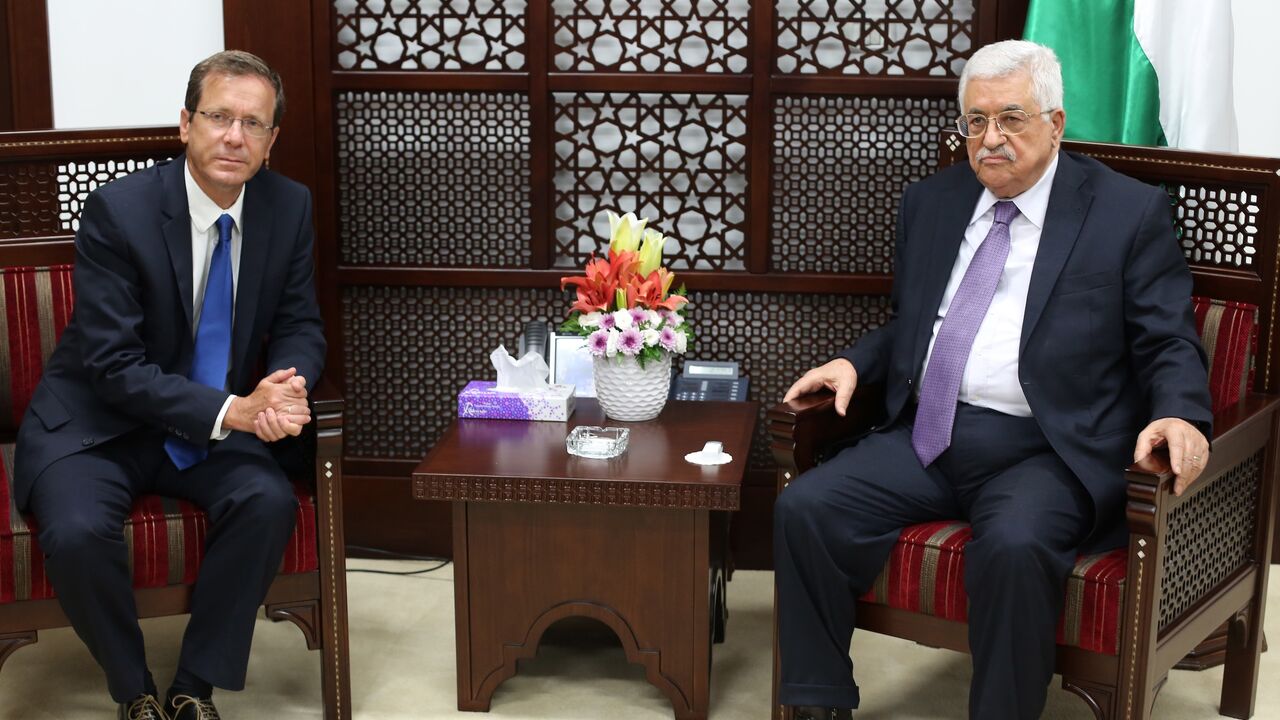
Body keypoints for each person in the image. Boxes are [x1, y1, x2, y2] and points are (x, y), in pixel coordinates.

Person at [773, 39, 1212, 720]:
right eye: (976, 122)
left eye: (1011, 118)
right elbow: (915, 323)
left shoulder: (1126, 213)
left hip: (1048, 449)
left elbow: (1167, 339)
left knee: (1012, 547)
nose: (991, 139)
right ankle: (817, 702)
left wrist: (1182, 413)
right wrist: (857, 361)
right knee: (808, 507)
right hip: (932, 433)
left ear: (1056, 123)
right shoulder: (933, 202)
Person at [13, 50, 325, 720]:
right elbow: (111, 365)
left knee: (266, 499)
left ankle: (194, 685)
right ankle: (133, 690)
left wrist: (286, 388)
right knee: (73, 531)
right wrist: (237, 409)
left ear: (271, 142)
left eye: (254, 124)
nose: (234, 137)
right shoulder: (119, 211)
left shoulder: (287, 206)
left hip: (211, 424)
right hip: (100, 421)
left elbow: (301, 323)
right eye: (219, 117)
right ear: (185, 124)